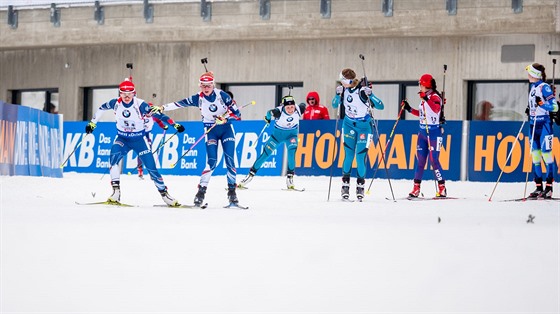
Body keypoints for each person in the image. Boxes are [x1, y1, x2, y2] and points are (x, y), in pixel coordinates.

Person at [85, 78, 184, 206]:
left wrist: (174, 125)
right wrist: (93, 123)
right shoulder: (115, 103)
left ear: (134, 93)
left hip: (139, 140)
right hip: (122, 138)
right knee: (113, 158)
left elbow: (158, 115)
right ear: (119, 93)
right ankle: (116, 192)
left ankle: (165, 195)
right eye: (123, 93)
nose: (126, 96)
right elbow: (101, 108)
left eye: (129, 93)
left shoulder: (140, 105)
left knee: (151, 168)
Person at [155, 72, 242, 206]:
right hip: (210, 130)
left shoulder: (222, 96)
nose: (206, 88)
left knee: (230, 160)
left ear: (213, 85)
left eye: (208, 85)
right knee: (212, 162)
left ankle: (232, 194)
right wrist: (162, 107)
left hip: (226, 130)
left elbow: (238, 115)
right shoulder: (198, 98)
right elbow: (180, 103)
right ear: (200, 86)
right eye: (203, 86)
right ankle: (200, 193)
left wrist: (225, 119)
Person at [331, 68, 384, 201]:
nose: (340, 82)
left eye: (342, 80)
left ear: (347, 80)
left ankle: (360, 185)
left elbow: (381, 106)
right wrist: (337, 95)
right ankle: (345, 185)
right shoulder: (343, 90)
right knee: (348, 155)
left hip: (364, 127)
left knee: (360, 157)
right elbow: (334, 105)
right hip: (348, 125)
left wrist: (371, 95)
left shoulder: (361, 91)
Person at [238, 95, 306, 189]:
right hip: (277, 137)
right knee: (265, 155)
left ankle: (290, 179)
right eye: (288, 107)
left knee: (291, 153)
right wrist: (268, 118)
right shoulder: (278, 111)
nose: (290, 110)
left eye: (292, 107)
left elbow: (303, 105)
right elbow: (269, 112)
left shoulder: (299, 109)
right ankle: (248, 177)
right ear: (283, 106)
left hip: (291, 136)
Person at [402, 73, 446, 198]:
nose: (419, 86)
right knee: (420, 161)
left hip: (433, 133)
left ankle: (442, 188)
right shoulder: (424, 97)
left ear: (425, 85)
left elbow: (436, 109)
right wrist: (409, 108)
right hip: (422, 133)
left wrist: (426, 99)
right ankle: (416, 188)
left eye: (420, 84)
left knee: (434, 160)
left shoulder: (435, 96)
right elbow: (422, 114)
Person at [525, 63, 558, 199]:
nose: (527, 75)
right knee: (536, 156)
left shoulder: (544, 87)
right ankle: (539, 187)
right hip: (533, 124)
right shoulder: (533, 88)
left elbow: (554, 107)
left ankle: (549, 187)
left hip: (544, 124)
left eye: (529, 72)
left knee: (546, 154)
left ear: (534, 74)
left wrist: (543, 104)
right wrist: (530, 109)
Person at [136, 104, 173, 179]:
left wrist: (164, 126)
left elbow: (159, 122)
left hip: (147, 134)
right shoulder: (140, 115)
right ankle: (140, 169)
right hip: (139, 134)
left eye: (151, 111)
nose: (150, 113)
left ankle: (151, 172)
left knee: (148, 152)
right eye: (148, 111)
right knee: (141, 152)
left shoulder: (154, 117)